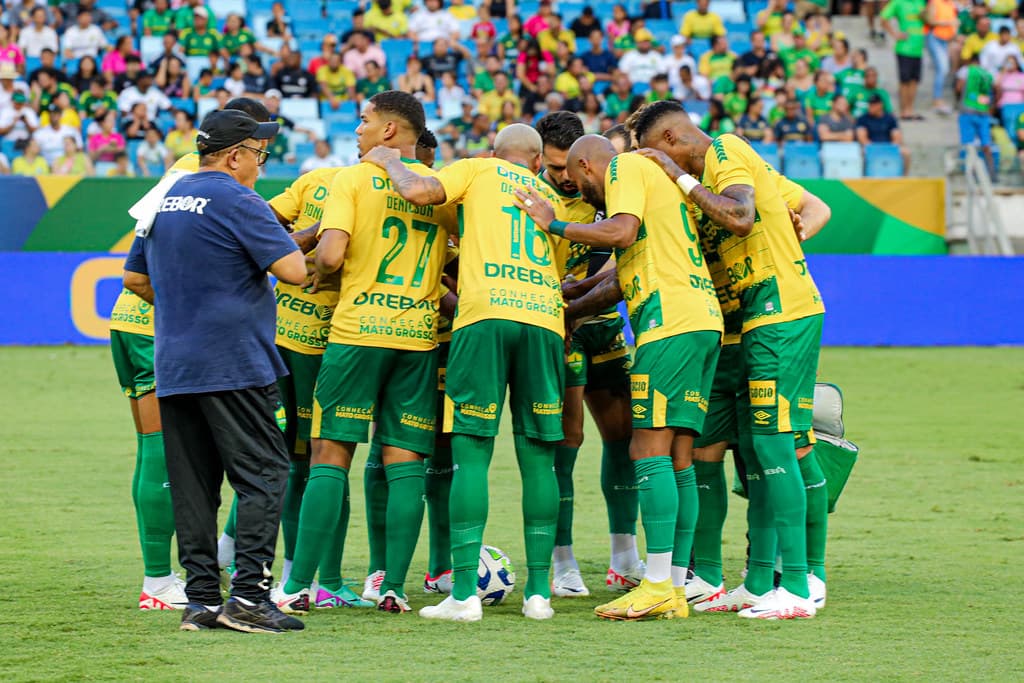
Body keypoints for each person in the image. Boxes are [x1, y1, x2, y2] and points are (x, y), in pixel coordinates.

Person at [626, 100, 828, 619]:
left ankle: (801, 586)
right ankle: (757, 581)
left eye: (654, 156)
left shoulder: (726, 151)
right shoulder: (697, 191)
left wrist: (680, 177)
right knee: (744, 450)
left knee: (773, 443)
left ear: (670, 142)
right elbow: (801, 209)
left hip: (781, 311)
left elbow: (743, 216)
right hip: (740, 327)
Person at [361, 123, 569, 622]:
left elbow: (416, 188)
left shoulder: (476, 170)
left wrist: (386, 159)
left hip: (484, 314)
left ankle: (464, 595)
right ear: (538, 163)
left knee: (472, 452)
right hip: (544, 318)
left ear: (492, 153)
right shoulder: (550, 199)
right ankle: (539, 594)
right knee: (539, 458)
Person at [515, 132, 723, 621]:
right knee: (678, 455)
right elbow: (616, 279)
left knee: (645, 448)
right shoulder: (660, 185)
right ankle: (673, 587)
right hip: (700, 320)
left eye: (576, 179)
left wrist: (556, 224)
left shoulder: (624, 170)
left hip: (667, 324)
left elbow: (622, 232)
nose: (578, 189)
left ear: (589, 166)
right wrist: (570, 303)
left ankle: (653, 583)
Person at [122, 108, 308, 633]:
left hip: (176, 362)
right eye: (259, 154)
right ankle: (249, 596)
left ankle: (201, 601)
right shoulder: (239, 197)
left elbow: (134, 278)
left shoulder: (166, 195)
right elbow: (293, 271)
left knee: (194, 484)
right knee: (266, 474)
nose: (260, 164)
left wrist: (189, 305)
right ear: (234, 156)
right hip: (233, 362)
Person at [274, 91, 456, 616]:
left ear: (390, 132)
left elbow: (329, 252)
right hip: (418, 340)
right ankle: (393, 587)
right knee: (404, 464)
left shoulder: (349, 181)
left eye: (365, 121)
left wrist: (320, 273)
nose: (356, 130)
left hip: (355, 334)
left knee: (330, 455)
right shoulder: (437, 188)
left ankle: (300, 585)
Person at [534, 112, 642, 597]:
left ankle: (624, 558)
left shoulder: (609, 188)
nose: (562, 178)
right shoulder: (531, 196)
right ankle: (563, 561)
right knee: (567, 441)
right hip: (559, 328)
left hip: (602, 320)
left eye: (568, 168)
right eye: (554, 168)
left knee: (625, 439)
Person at [881, 0, 927, 120]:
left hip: (918, 47)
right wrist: (895, 34)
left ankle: (910, 109)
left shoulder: (921, 2)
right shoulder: (898, 2)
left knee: (914, 80)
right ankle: (904, 110)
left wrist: (925, 15)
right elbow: (883, 18)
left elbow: (927, 20)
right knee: (904, 80)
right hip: (904, 47)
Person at [957, 53, 996, 175]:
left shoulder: (966, 71)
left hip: (967, 111)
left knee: (968, 145)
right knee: (986, 144)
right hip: (983, 113)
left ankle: (969, 173)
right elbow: (994, 90)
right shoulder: (987, 74)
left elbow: (959, 87)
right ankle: (992, 172)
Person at [856, 93, 912, 173]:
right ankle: (863, 177)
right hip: (870, 147)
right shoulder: (863, 119)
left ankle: (903, 177)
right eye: (869, 104)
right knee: (860, 153)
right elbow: (862, 138)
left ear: (880, 105)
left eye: (873, 104)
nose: (870, 107)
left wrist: (889, 147)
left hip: (888, 146)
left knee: (906, 152)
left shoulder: (890, 119)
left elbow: (897, 136)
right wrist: (874, 147)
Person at [925, 0, 958, 114]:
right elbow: (930, 20)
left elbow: (954, 22)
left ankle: (938, 98)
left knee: (943, 69)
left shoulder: (950, 4)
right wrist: (948, 22)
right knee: (943, 68)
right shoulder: (934, 2)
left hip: (946, 39)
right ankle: (937, 99)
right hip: (934, 37)